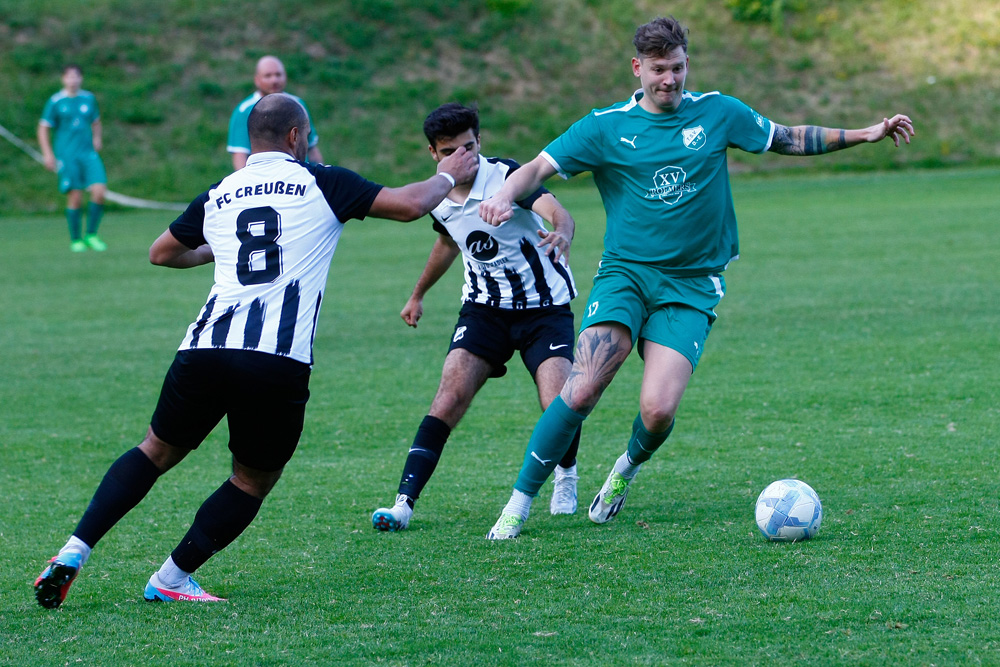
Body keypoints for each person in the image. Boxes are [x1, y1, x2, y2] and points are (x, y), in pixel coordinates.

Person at [33, 93, 477, 608]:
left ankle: (73, 550)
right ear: (295, 137)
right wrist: (449, 172)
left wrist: (218, 251)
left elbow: (161, 253)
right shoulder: (320, 178)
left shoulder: (221, 191)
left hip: (203, 347)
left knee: (154, 451)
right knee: (253, 478)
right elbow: (409, 205)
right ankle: (171, 578)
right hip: (274, 357)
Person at [479, 16, 916, 539]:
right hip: (627, 275)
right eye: (659, 69)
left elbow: (786, 137)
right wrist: (505, 194)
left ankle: (623, 472)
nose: (671, 79)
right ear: (637, 68)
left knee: (658, 410)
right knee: (582, 389)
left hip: (691, 284)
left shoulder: (717, 112)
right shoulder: (605, 125)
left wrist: (865, 133)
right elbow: (537, 168)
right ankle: (519, 502)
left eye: (679, 67)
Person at [371, 103, 581, 532]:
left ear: (480, 141)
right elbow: (449, 242)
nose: (464, 158)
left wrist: (561, 231)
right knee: (447, 398)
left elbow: (558, 212)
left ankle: (566, 475)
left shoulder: (507, 177)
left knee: (557, 402)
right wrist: (417, 294)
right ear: (434, 153)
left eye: (470, 147)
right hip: (484, 311)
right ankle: (403, 504)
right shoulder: (437, 194)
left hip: (544, 308)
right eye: (452, 151)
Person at [38, 64, 108, 252]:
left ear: (81, 78)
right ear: (63, 79)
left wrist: (97, 138)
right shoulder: (56, 101)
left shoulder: (88, 98)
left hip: (88, 154)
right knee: (75, 196)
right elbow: (43, 128)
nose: (73, 80)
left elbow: (96, 121)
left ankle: (92, 235)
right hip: (68, 156)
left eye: (76, 76)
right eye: (69, 77)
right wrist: (48, 154)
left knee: (99, 191)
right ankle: (76, 239)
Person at [227, 56, 322, 170]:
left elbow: (311, 147)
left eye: (278, 75)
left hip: (300, 177)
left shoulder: (298, 105)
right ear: (257, 80)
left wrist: (320, 177)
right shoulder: (245, 110)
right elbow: (240, 154)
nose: (274, 80)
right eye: (268, 76)